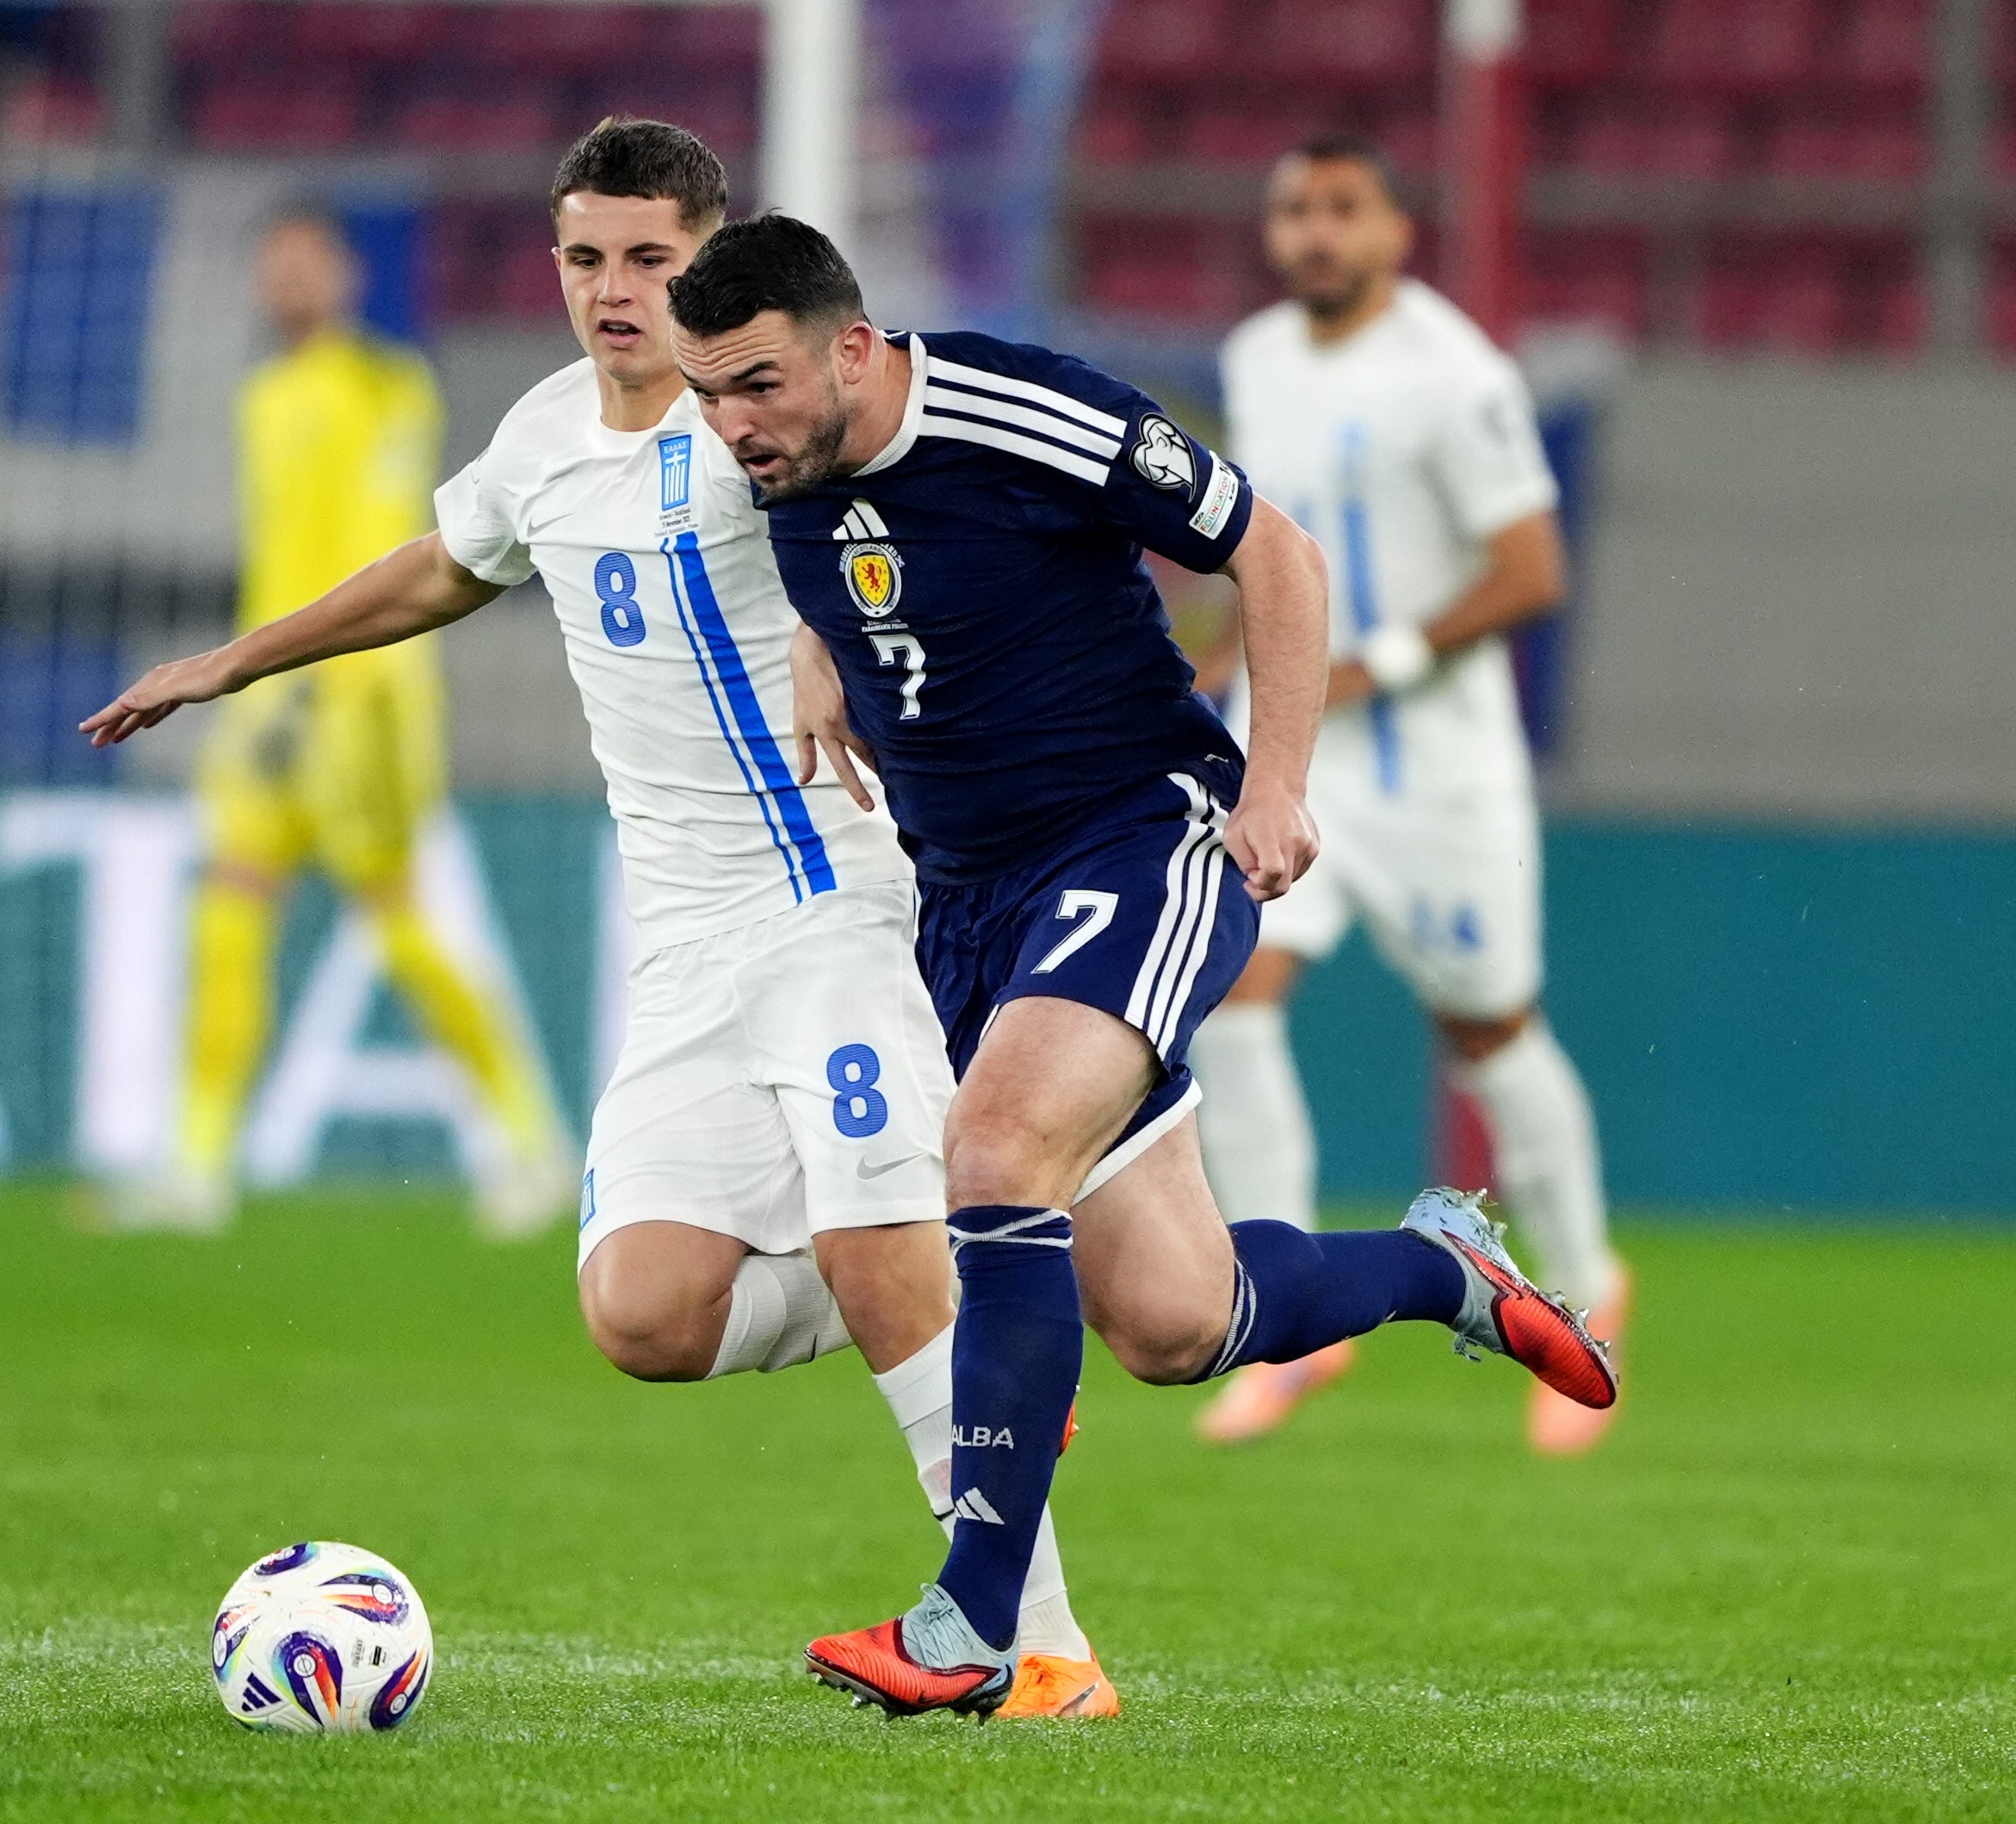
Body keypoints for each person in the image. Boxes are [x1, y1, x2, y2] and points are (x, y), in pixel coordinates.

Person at [81, 121, 1116, 1720]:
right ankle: (968, 1302)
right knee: (645, 1311)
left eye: (650, 258)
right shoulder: (545, 437)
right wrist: (237, 659)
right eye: (585, 257)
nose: (613, 289)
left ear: (710, 260)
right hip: (683, 944)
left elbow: (904, 517)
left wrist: (840, 629)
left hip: (838, 898)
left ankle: (1043, 1648)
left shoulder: (763, 422)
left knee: (867, 1234)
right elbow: (445, 564)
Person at [666, 213, 1617, 1719]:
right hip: (968, 900)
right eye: (708, 394)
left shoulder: (1021, 409)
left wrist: (1276, 781)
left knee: (994, 1148)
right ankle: (1443, 1270)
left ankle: (978, 1627)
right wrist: (815, 646)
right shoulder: (781, 460)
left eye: (756, 386)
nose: (731, 425)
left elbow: (1276, 552)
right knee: (1176, 1320)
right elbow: (846, 561)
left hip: (1135, 839)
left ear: (851, 348)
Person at [1190, 135, 1627, 1457]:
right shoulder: (1258, 358)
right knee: (1232, 994)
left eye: (1342, 209)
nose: (1316, 232)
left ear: (1394, 232)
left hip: (1436, 768)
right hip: (1296, 750)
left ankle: (1586, 1290)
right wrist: (1221, 664)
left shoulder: (1456, 372)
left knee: (1489, 1028)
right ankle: (1290, 1314)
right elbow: (1265, 548)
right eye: (1294, 209)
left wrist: (1375, 660)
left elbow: (1532, 569)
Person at [132, 203, 572, 1235]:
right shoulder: (263, 395)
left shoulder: (384, 387)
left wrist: (337, 689)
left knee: (401, 923)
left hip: (359, 701)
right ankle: (196, 1166)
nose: (288, 280)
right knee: (227, 916)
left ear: (346, 278)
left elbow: (386, 554)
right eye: (273, 264)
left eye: (307, 262)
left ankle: (530, 1144)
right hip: (265, 703)